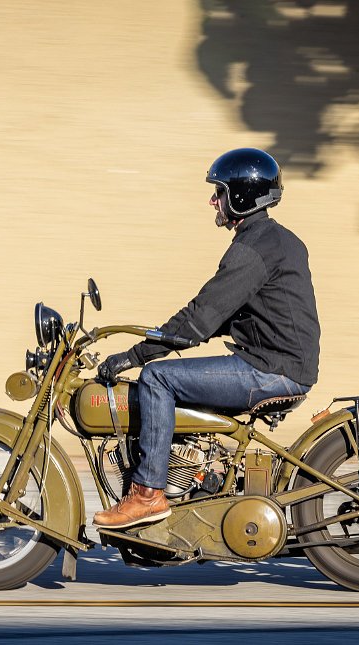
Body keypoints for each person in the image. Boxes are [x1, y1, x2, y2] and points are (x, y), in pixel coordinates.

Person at [93, 148, 321, 529]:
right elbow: (223, 315)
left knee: (157, 378)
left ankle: (147, 494)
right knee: (166, 372)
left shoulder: (251, 249)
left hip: (270, 369)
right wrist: (168, 337)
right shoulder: (276, 240)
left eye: (220, 192)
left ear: (241, 196)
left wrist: (135, 356)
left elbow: (201, 318)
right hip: (277, 362)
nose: (213, 200)